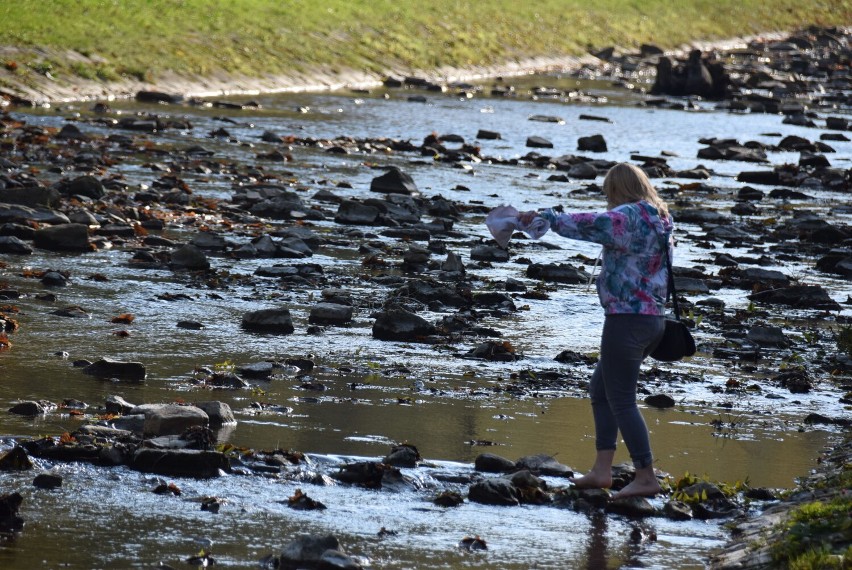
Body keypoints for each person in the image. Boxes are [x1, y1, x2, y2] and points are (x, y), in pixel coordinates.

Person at [517, 162, 673, 498]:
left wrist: (546, 216)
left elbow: (588, 224)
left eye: (608, 193)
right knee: (600, 390)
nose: (607, 200)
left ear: (617, 190)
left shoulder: (626, 216)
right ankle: (602, 470)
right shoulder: (659, 216)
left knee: (621, 400)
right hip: (653, 319)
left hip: (626, 320)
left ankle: (645, 475)